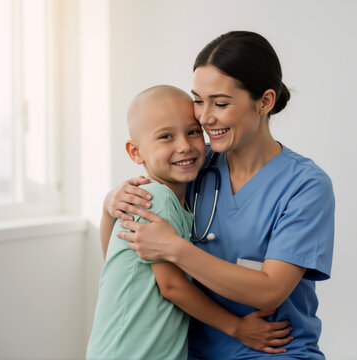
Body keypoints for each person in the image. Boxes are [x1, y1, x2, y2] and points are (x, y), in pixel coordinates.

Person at [104, 31, 335, 359]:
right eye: (198, 100)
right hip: (192, 352)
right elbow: (130, 257)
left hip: (273, 350)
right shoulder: (192, 162)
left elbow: (269, 291)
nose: (204, 116)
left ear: (265, 102)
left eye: (221, 103)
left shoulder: (305, 185)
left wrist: (175, 248)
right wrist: (108, 204)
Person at [87, 85, 293, 360]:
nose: (184, 146)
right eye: (165, 136)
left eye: (193, 132)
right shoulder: (156, 200)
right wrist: (238, 328)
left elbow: (113, 260)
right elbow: (172, 287)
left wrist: (107, 211)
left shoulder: (167, 199)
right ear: (136, 152)